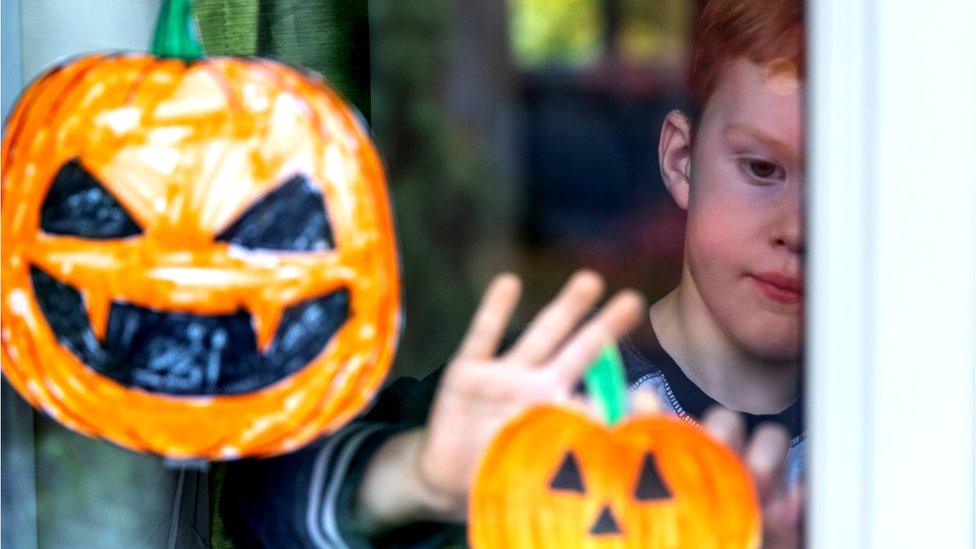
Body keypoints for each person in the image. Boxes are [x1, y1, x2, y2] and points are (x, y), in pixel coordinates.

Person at [218, 0, 806, 546]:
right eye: (761, 169)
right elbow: (260, 508)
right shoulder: (539, 392)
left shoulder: (890, 424)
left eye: (848, 184)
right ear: (681, 160)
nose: (799, 230)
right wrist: (416, 478)